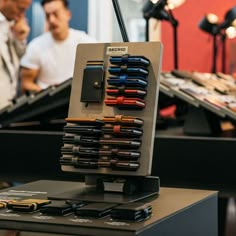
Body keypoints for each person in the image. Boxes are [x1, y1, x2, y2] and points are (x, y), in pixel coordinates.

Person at [20, 0, 96, 93]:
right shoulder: (36, 46)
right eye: (48, 15)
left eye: (56, 14)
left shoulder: (86, 43)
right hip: (48, 103)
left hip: (76, 99)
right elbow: (26, 84)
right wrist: (49, 95)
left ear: (68, 14)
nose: (52, 20)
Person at [0, 0, 31, 109]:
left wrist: (20, 38)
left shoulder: (9, 25)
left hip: (6, 107)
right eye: (20, 9)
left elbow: (14, 61)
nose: (22, 15)